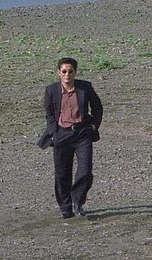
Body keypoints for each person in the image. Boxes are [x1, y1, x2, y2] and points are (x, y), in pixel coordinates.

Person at [36, 57, 103, 218]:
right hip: (61, 134)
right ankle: (65, 207)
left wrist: (94, 126)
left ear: (75, 72)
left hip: (82, 133)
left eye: (70, 71)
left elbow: (97, 107)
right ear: (59, 72)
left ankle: (77, 200)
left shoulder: (85, 87)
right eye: (64, 71)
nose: (67, 75)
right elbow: (49, 114)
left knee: (85, 171)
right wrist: (53, 131)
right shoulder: (51, 90)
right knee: (62, 174)